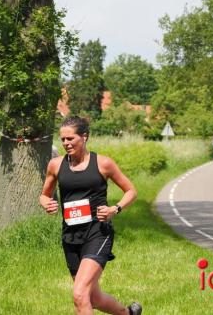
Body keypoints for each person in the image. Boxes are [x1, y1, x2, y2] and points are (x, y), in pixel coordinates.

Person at [39, 116, 141, 315]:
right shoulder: (56, 165)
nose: (66, 144)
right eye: (63, 140)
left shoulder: (103, 163)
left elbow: (131, 191)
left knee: (79, 294)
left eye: (71, 139)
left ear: (84, 137)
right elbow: (44, 195)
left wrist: (115, 209)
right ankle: (128, 314)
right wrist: (47, 204)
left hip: (98, 233)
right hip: (70, 235)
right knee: (93, 298)